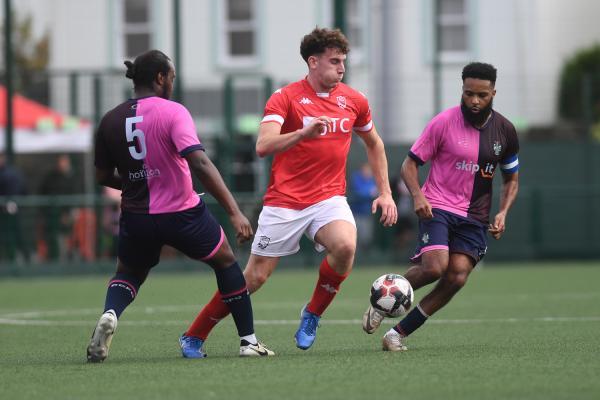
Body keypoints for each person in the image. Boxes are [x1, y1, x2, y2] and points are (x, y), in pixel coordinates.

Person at [179, 27, 397, 355]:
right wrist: (302, 134)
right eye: (334, 61)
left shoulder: (354, 100)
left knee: (345, 247)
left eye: (343, 61)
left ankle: (312, 314)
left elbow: (375, 143)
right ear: (313, 62)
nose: (341, 68)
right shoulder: (286, 97)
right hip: (285, 202)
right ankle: (194, 335)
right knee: (254, 278)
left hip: (328, 198)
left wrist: (386, 192)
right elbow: (263, 145)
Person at [87, 49, 274, 362]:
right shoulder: (173, 112)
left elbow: (103, 176)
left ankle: (110, 313)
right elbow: (199, 162)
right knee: (226, 262)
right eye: (171, 77)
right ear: (161, 78)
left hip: (137, 217)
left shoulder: (110, 120)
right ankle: (248, 341)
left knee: (129, 272)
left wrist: (139, 183)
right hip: (182, 214)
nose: (172, 82)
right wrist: (233, 211)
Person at [362, 62, 520, 351]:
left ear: (493, 93)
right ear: (462, 90)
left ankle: (397, 333)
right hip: (437, 206)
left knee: (457, 275)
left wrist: (502, 211)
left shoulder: (506, 131)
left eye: (482, 95)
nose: (474, 100)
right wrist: (418, 196)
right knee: (435, 267)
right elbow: (409, 165)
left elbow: (511, 180)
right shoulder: (443, 122)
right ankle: (383, 300)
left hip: (475, 216)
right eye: (469, 93)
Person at [349, 163, 378, 249]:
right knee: (353, 238)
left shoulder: (372, 180)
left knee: (366, 238)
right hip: (355, 214)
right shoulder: (356, 178)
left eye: (369, 171)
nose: (367, 173)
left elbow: (376, 192)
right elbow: (359, 193)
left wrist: (370, 193)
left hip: (367, 214)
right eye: (365, 170)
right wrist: (369, 193)